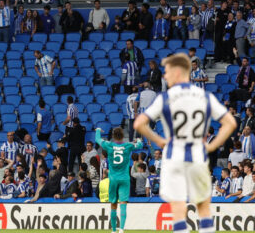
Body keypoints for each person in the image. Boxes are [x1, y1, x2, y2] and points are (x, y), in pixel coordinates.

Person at [134, 53, 237, 233]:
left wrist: (160, 141)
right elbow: (230, 123)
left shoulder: (165, 98)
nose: (165, 76)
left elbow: (139, 123)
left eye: (168, 72)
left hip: (174, 157)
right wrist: (212, 146)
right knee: (203, 207)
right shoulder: (203, 96)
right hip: (197, 155)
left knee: (178, 206)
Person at [95, 126, 142, 233]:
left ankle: (114, 230)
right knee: (123, 203)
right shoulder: (128, 145)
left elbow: (97, 140)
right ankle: (121, 229)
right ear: (122, 136)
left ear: (113, 136)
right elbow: (140, 145)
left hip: (113, 179)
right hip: (124, 179)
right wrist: (138, 139)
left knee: (113, 203)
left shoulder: (109, 145)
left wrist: (98, 130)